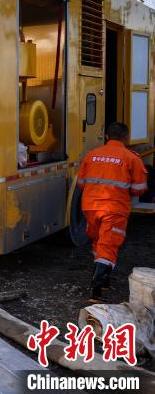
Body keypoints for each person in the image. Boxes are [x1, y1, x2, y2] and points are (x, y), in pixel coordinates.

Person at [77, 122, 148, 303]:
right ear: (126, 138)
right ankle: (97, 291)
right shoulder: (132, 158)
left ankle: (104, 278)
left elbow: (81, 183)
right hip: (114, 208)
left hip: (90, 207)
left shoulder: (92, 155)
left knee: (99, 242)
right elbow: (139, 188)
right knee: (108, 245)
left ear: (107, 136)